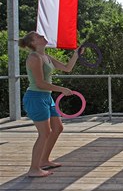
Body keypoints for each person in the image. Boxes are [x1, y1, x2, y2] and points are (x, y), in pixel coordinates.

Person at [19, 31, 82, 178]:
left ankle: (44, 160)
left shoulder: (45, 56)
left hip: (47, 97)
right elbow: (40, 83)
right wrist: (62, 90)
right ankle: (34, 169)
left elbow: (67, 68)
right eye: (38, 37)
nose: (42, 36)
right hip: (36, 97)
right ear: (33, 43)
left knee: (58, 128)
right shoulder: (34, 57)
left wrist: (76, 54)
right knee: (44, 133)